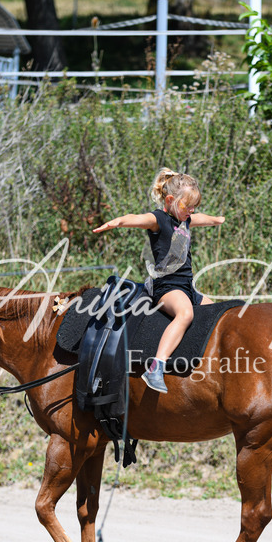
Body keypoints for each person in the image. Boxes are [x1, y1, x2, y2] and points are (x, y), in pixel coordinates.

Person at [92, 167, 225, 393]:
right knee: (186, 314)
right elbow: (138, 218)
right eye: (187, 205)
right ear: (171, 200)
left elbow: (199, 218)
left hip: (187, 288)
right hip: (166, 288)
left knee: (217, 313)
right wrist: (117, 222)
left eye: (194, 206)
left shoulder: (185, 219)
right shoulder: (159, 219)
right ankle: (156, 367)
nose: (191, 211)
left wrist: (217, 219)